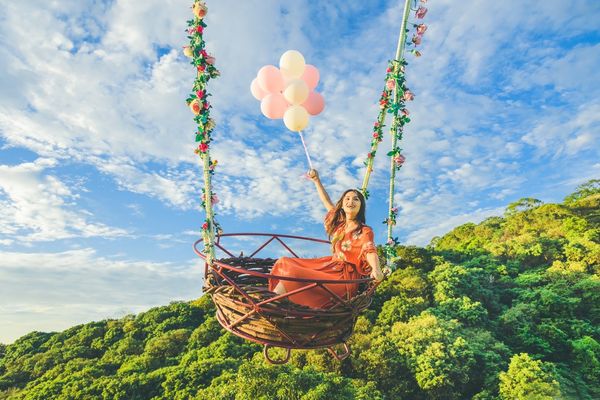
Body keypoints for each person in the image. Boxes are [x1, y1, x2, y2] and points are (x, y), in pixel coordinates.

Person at [268, 169, 385, 309]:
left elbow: (370, 250)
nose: (351, 201)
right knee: (284, 263)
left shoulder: (364, 231)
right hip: (329, 267)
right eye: (347, 198)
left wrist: (376, 269)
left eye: (356, 199)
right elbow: (326, 201)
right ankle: (274, 303)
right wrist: (316, 180)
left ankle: (271, 305)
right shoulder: (339, 225)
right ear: (341, 204)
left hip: (343, 279)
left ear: (361, 206)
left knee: (293, 273)